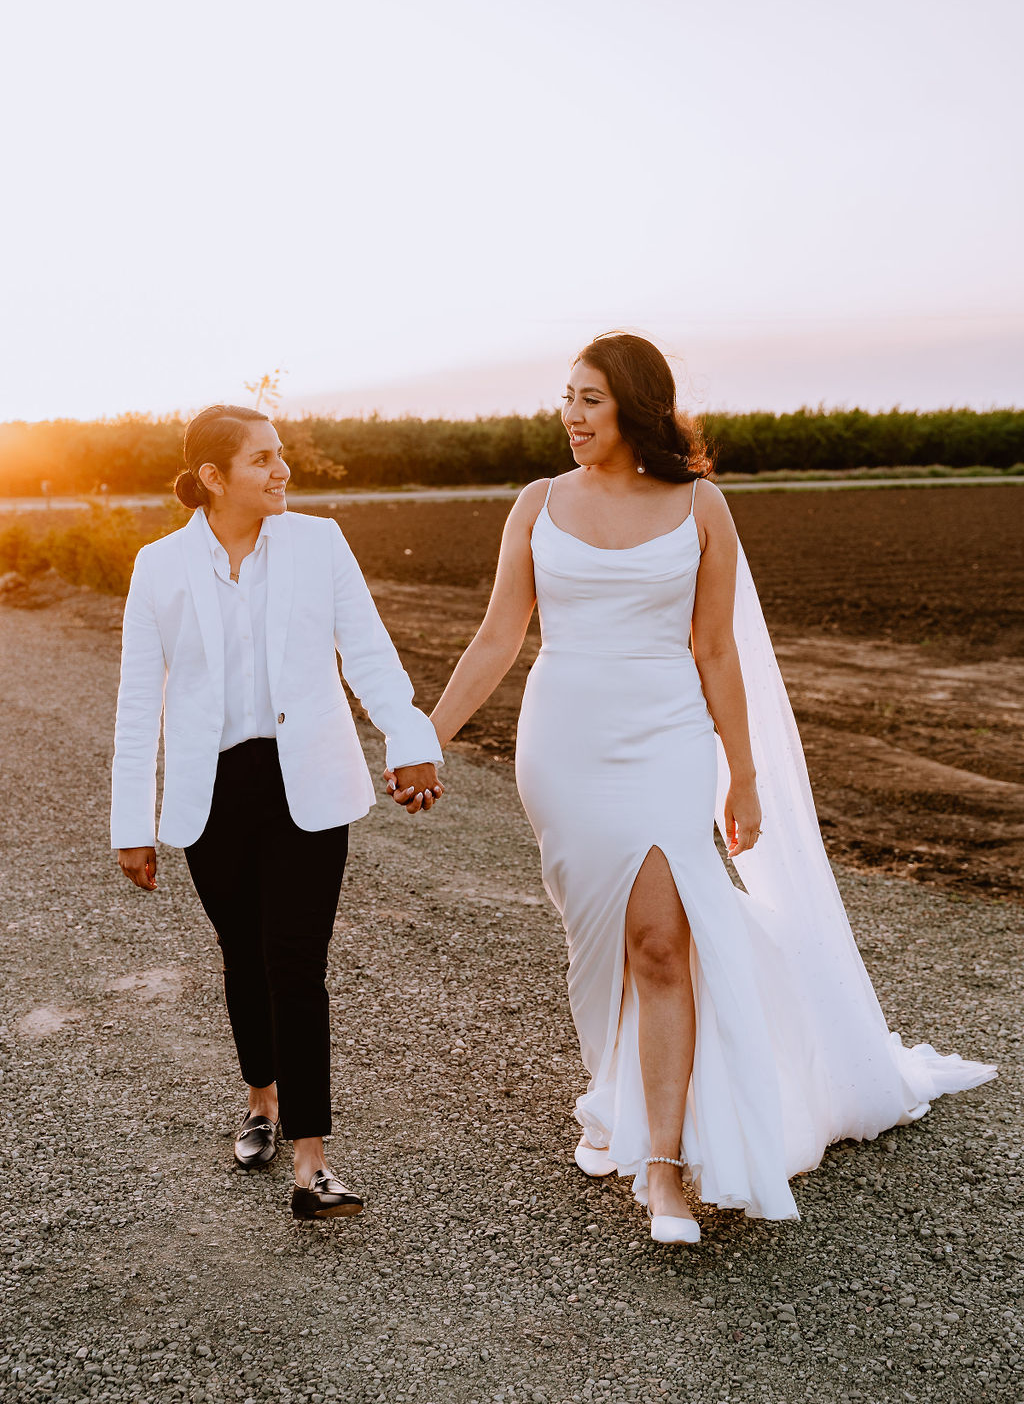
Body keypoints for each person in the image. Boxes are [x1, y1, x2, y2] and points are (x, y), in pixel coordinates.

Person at [392, 332, 995, 1245]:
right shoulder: (536, 504)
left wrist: (741, 774)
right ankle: (622, 1093)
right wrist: (424, 738)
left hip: (670, 739)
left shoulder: (701, 507)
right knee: (601, 941)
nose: (570, 415)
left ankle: (665, 1170)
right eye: (566, 397)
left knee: (664, 942)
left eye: (589, 398)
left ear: (635, 406)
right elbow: (496, 637)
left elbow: (717, 650)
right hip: (564, 745)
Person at [111, 404, 443, 1221]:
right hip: (212, 791)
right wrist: (132, 823)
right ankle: (260, 1097)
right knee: (242, 954)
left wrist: (409, 736)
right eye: (263, 460)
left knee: (297, 961)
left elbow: (367, 650)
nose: (282, 470)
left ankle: (312, 1162)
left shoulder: (319, 543)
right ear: (215, 477)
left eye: (281, 454)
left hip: (308, 782)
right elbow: (135, 703)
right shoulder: (158, 567)